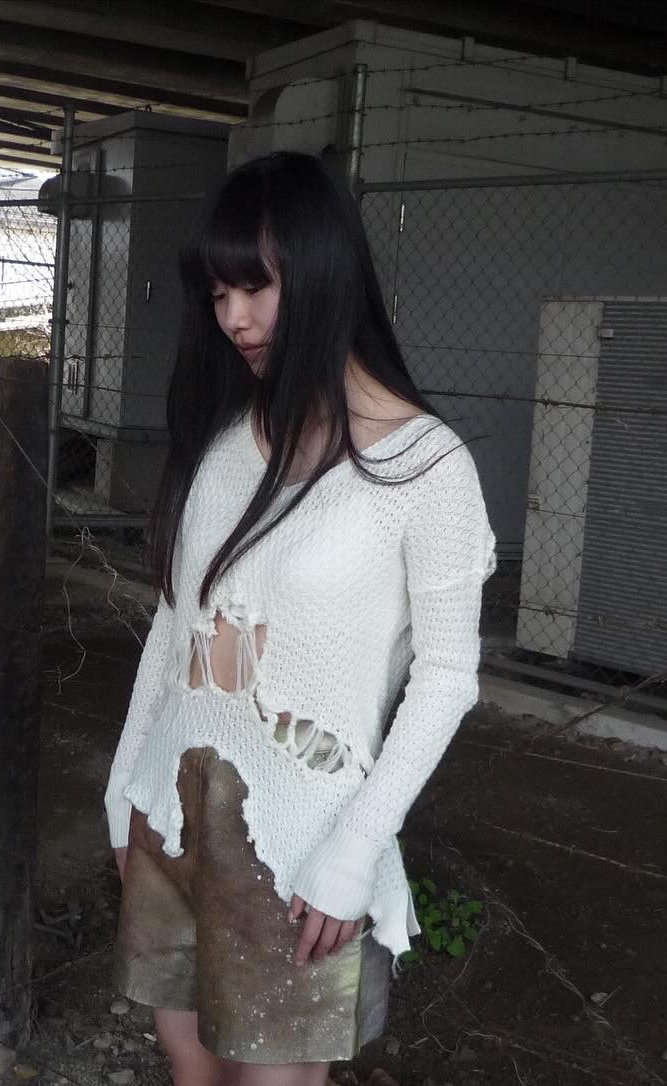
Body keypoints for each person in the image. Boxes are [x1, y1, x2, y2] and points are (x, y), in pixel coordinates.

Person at [104, 151, 496, 1086]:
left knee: (276, 1079)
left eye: (256, 288)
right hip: (172, 812)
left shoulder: (426, 469)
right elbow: (177, 622)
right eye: (218, 293)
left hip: (303, 846)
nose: (232, 318)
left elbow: (447, 677)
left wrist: (355, 850)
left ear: (322, 275)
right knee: (187, 1059)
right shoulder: (231, 442)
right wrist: (125, 789)